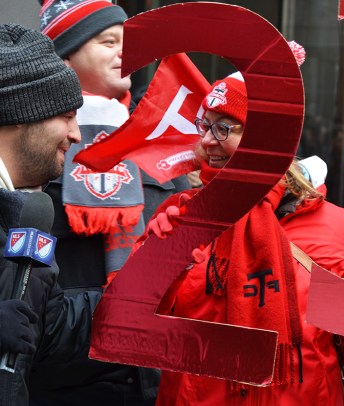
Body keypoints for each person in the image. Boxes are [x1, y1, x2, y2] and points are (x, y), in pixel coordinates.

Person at [141, 68, 344, 404]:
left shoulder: (338, 228)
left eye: (222, 128)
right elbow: (132, 331)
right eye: (204, 126)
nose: (206, 141)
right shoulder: (179, 215)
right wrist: (154, 261)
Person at [31, 1, 189, 404]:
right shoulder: (35, 148)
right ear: (66, 55)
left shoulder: (161, 143)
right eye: (108, 41)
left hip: (151, 373)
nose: (126, 53)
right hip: (63, 376)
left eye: (130, 43)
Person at [0, 24, 101, 406]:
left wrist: (140, 297)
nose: (77, 134)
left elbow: (50, 331)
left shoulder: (26, 211)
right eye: (67, 115)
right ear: (18, 115)